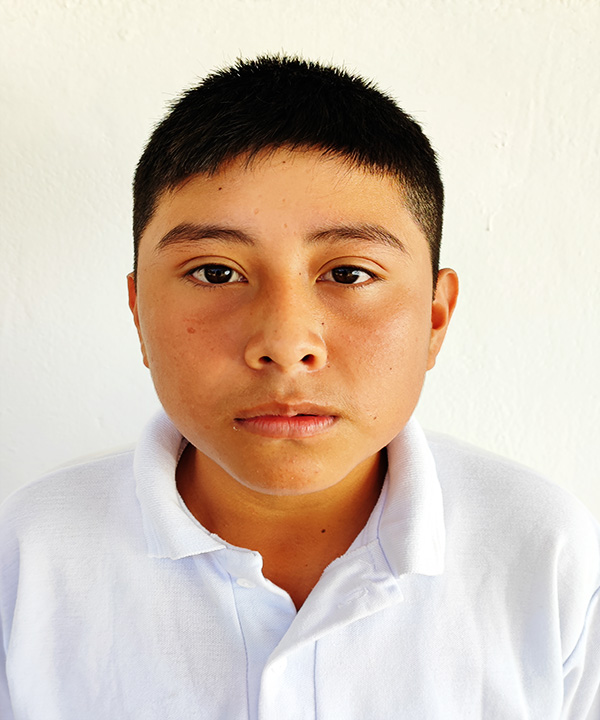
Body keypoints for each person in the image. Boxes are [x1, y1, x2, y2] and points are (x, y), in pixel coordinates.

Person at [1, 56, 599, 719]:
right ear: (139, 313)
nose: (286, 344)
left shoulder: (550, 558)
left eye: (348, 274)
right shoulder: (26, 561)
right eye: (216, 272)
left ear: (435, 318)